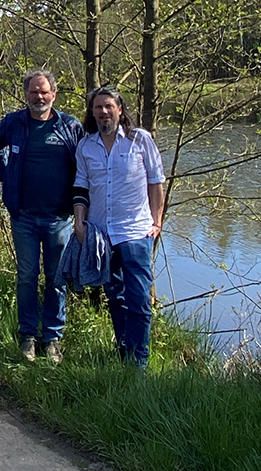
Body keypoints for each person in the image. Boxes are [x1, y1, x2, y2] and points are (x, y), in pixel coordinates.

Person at [0, 69, 84, 364]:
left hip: (59, 218)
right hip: (24, 217)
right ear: (25, 94)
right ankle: (28, 334)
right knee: (27, 277)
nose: (39, 97)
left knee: (56, 278)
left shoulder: (69, 126)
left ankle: (52, 337)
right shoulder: (14, 123)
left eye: (44, 92)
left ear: (54, 94)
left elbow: (85, 166)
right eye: (34, 92)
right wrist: (5, 177)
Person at [73, 86, 165, 370]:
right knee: (115, 298)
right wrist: (79, 221)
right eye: (98, 107)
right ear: (92, 113)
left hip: (136, 233)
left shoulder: (140, 140)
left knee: (139, 300)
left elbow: (156, 181)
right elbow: (81, 186)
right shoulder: (86, 146)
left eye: (108, 106)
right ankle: (124, 352)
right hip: (102, 234)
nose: (103, 112)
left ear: (120, 109)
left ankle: (139, 364)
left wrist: (157, 221)